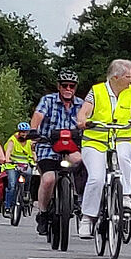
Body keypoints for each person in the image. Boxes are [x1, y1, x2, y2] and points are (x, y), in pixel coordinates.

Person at [77, 59, 131, 240]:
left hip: (122, 137)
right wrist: (83, 122)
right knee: (96, 178)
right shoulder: (97, 91)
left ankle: (125, 195)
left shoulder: (130, 92)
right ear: (115, 77)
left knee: (125, 158)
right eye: (128, 76)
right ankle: (88, 218)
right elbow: (83, 113)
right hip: (96, 140)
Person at [31, 70, 85, 236]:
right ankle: (43, 212)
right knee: (49, 179)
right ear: (59, 86)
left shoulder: (81, 104)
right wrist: (33, 130)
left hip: (71, 146)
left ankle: (79, 199)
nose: (68, 89)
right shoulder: (48, 101)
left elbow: (87, 121)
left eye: (72, 86)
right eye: (64, 85)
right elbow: (38, 115)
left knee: (82, 162)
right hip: (48, 146)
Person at [2, 121, 37, 213]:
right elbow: (8, 151)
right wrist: (7, 159)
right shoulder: (12, 140)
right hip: (12, 164)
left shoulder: (30, 141)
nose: (24, 134)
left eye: (26, 132)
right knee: (12, 185)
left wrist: (36, 160)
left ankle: (26, 192)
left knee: (29, 174)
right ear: (19, 132)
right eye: (22, 132)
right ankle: (8, 206)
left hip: (25, 164)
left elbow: (33, 152)